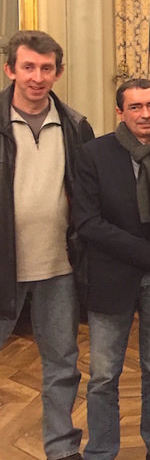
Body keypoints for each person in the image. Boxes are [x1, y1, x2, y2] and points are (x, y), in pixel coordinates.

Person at [74, 79, 150, 460]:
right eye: (135, 107)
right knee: (103, 375)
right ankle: (101, 451)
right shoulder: (94, 154)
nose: (146, 114)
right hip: (112, 276)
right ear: (119, 112)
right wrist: (147, 253)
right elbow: (87, 222)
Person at [0, 30, 94, 460]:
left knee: (61, 364)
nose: (37, 77)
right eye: (28, 67)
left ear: (58, 72)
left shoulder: (76, 126)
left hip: (59, 265)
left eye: (46, 68)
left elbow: (89, 197)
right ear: (10, 69)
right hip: (3, 265)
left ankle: (61, 448)